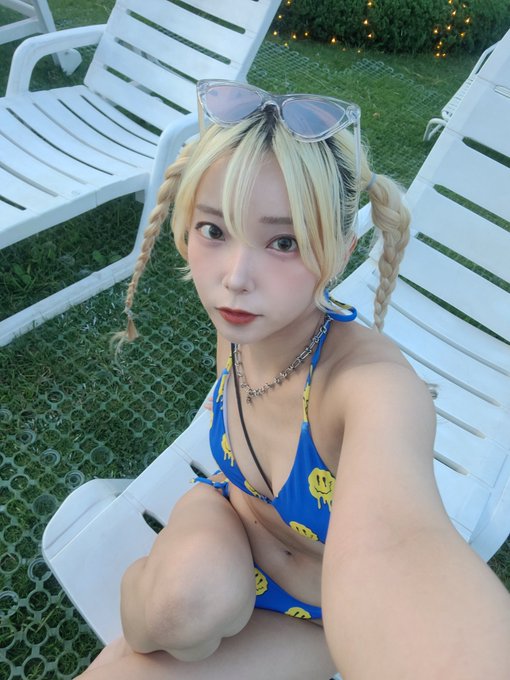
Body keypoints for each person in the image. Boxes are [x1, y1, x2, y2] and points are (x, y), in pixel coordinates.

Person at [78, 80, 510, 679]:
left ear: (341, 251)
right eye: (214, 230)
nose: (235, 277)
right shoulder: (244, 323)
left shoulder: (369, 389)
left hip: (317, 614)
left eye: (283, 242)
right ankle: (145, 601)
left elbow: (401, 547)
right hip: (227, 518)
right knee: (179, 608)